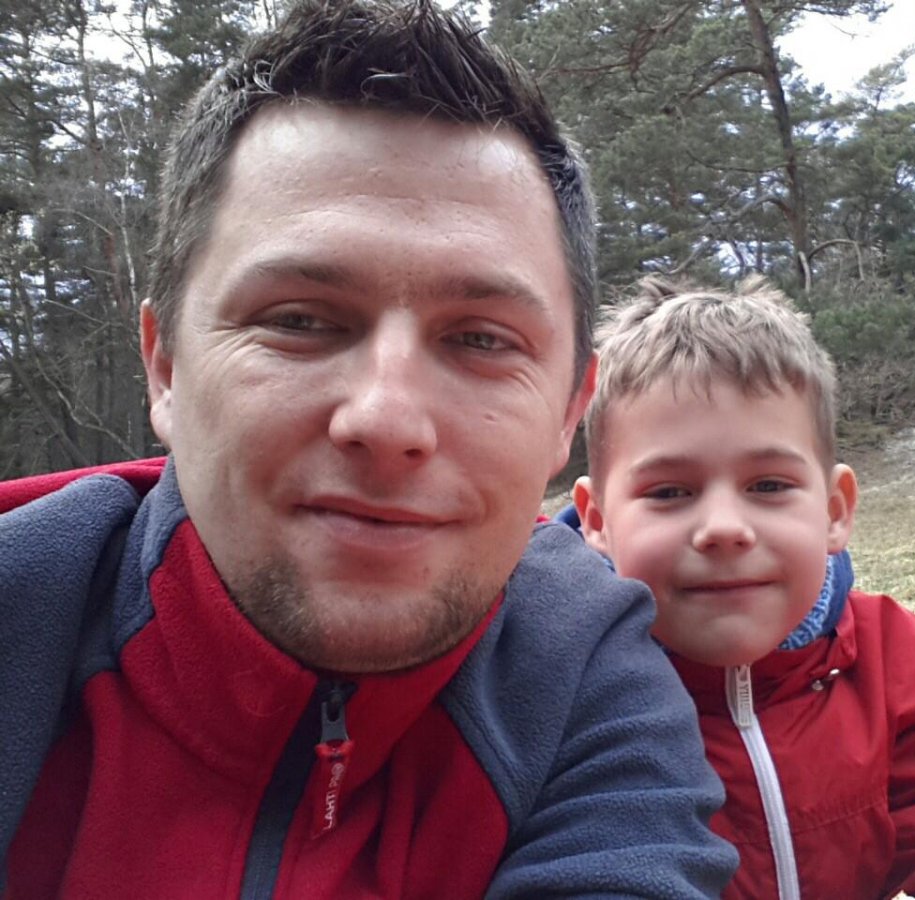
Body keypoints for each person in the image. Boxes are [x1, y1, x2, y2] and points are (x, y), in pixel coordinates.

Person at [0, 2, 739, 896]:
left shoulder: (587, 672)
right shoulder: (23, 606)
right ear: (166, 368)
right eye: (300, 321)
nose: (388, 421)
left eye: (481, 339)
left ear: (568, 413)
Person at [567, 276, 915, 900]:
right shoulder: (570, 690)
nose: (724, 528)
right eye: (669, 491)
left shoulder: (901, 667)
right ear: (598, 520)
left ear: (834, 509)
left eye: (767, 485)